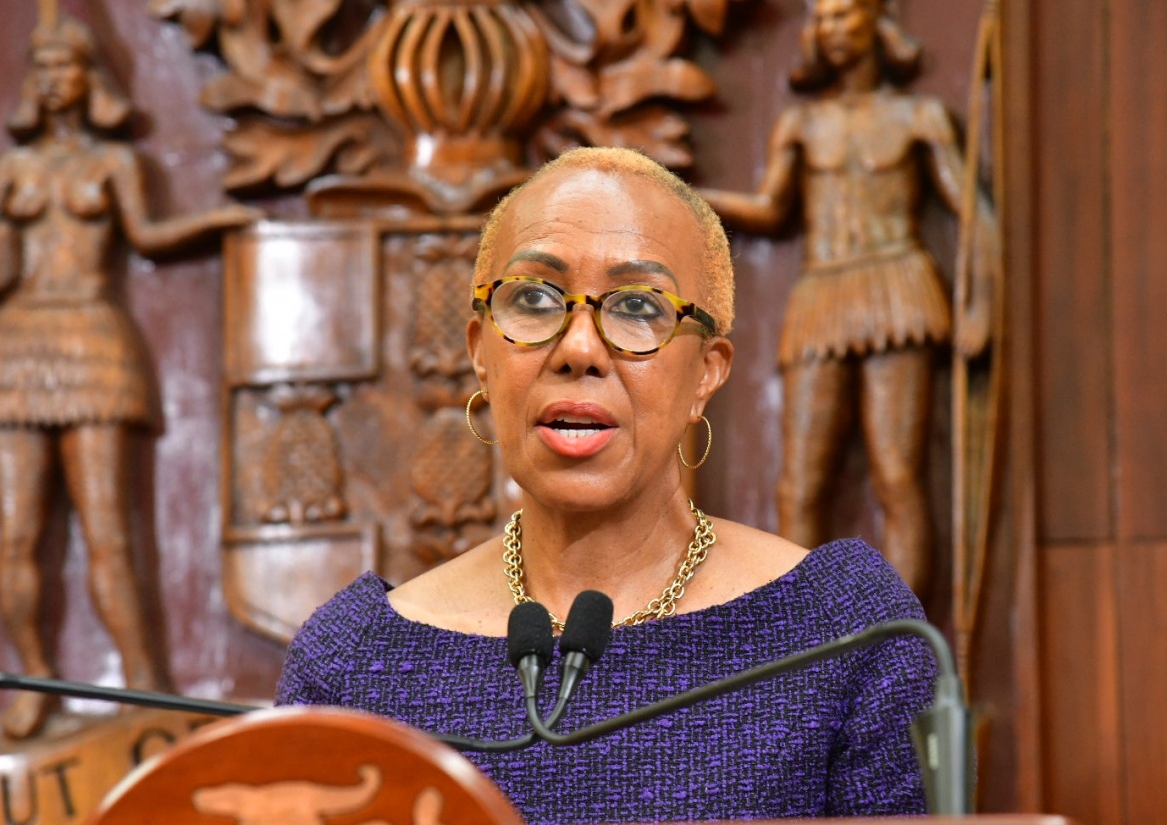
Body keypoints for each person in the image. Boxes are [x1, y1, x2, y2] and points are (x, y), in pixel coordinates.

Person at [276, 146, 937, 822]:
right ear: (480, 350)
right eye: (534, 299)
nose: (580, 349)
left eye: (637, 306)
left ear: (707, 372)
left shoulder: (841, 629)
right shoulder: (356, 661)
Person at [0, 16, 259, 740]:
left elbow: (149, 234)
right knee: (19, 536)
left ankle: (144, 681)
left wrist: (216, 220)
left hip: (93, 338)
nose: (56, 81)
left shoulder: (116, 164)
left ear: (90, 78)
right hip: (12, 347)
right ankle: (30, 682)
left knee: (109, 532)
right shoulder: (12, 170)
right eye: (45, 69)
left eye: (68, 68)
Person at [697, 0, 996, 600]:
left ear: (875, 22)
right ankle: (806, 648)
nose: (831, 31)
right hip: (822, 292)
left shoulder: (920, 116)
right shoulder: (803, 124)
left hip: (897, 289)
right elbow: (770, 209)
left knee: (897, 476)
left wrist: (981, 303)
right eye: (823, 18)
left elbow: (974, 217)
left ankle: (905, 650)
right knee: (799, 484)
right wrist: (681, 192)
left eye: (844, 15)